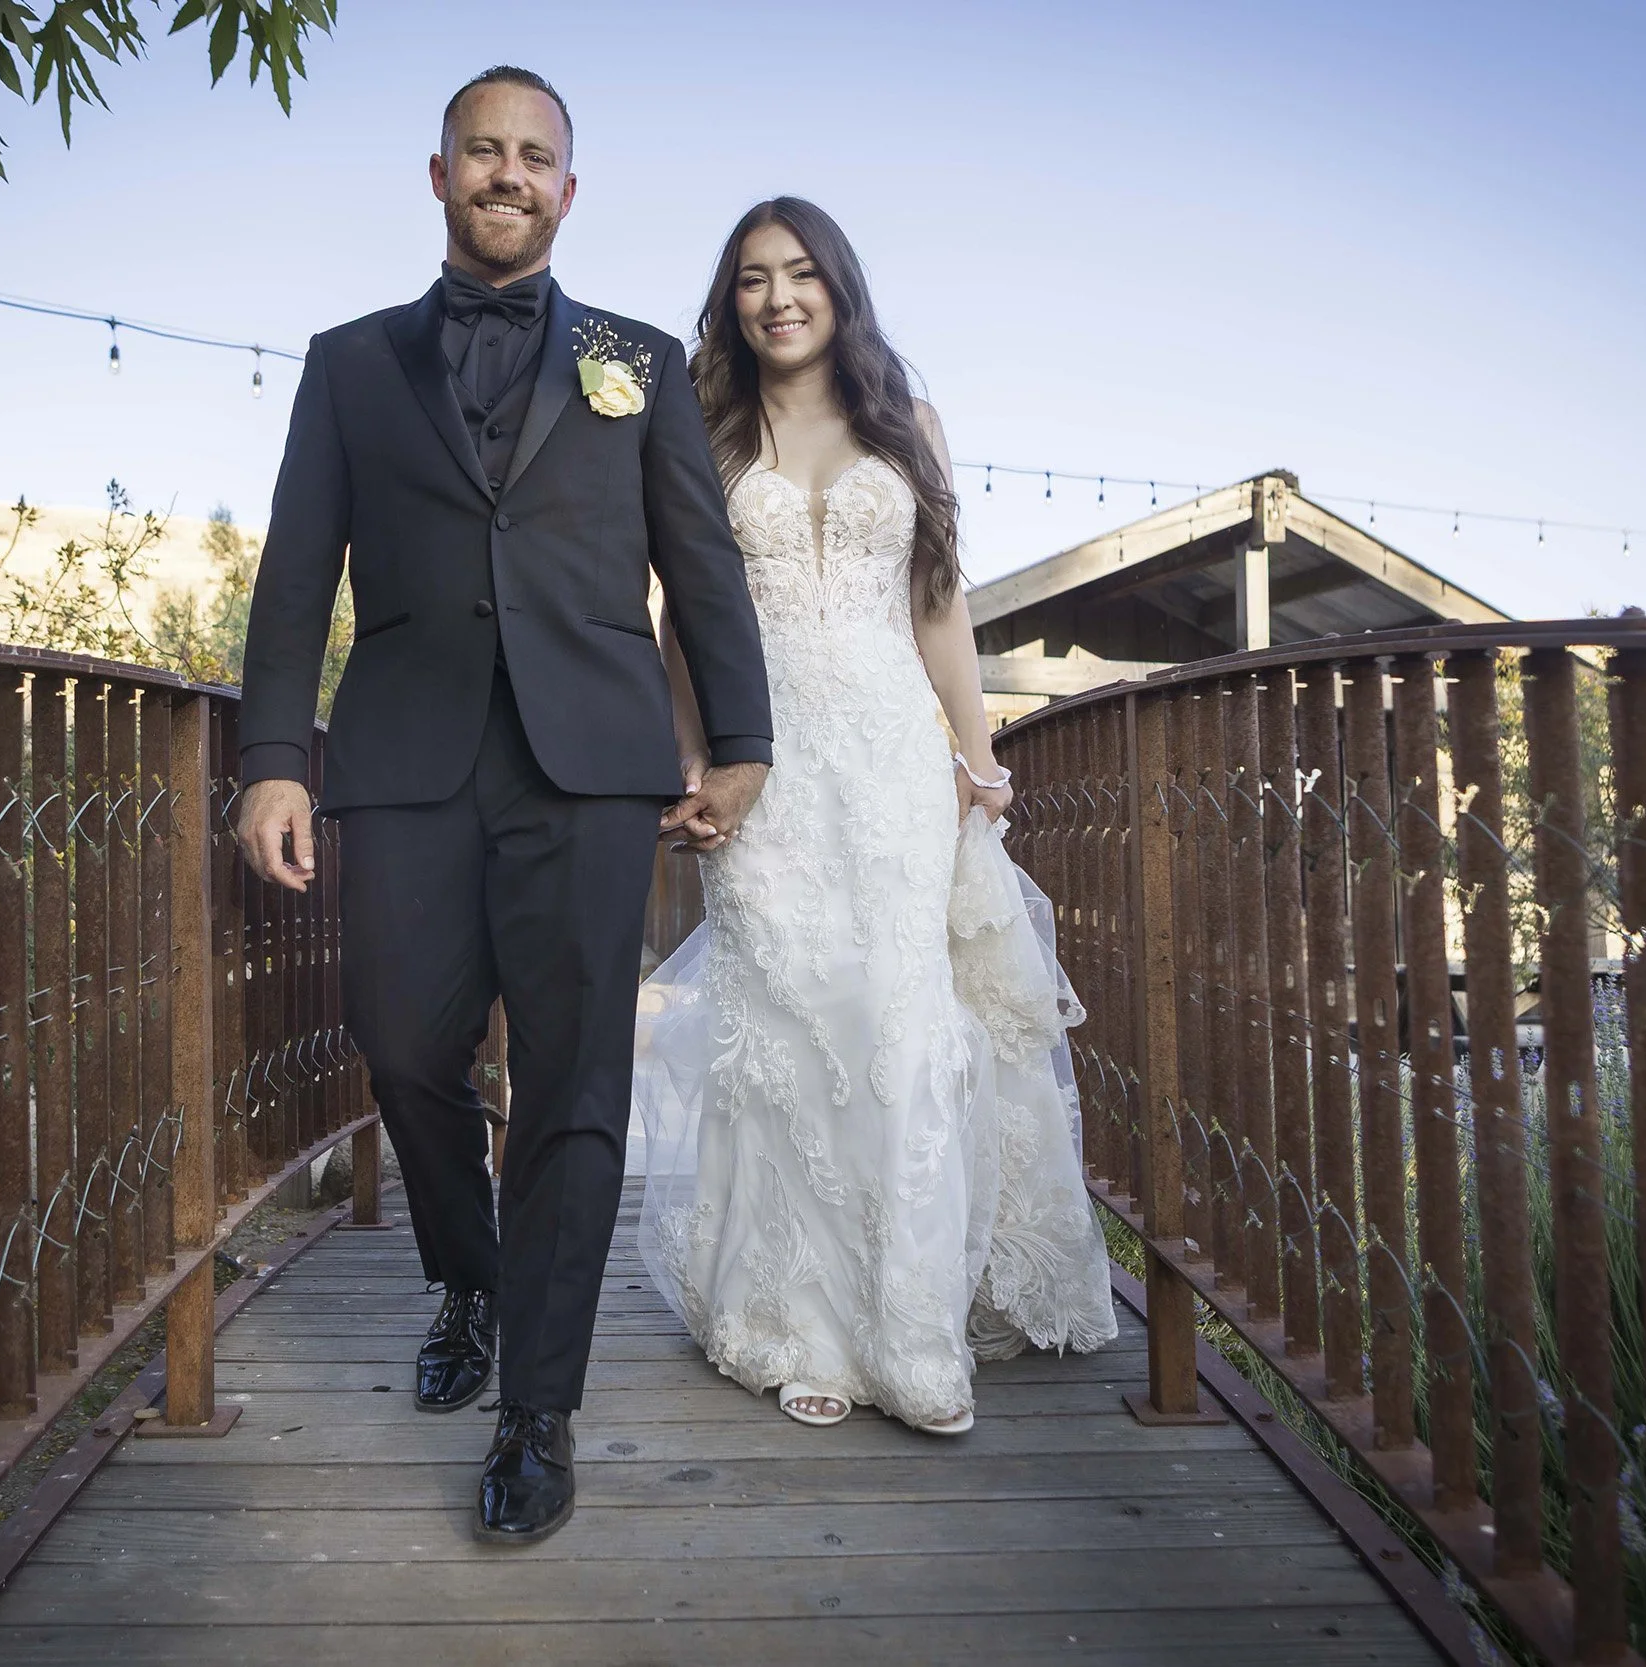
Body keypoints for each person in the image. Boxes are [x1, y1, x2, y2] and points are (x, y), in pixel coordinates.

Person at [232, 67, 775, 1545]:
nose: (509, 172)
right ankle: (467, 1270)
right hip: (405, 756)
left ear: (569, 191)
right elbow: (295, 574)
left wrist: (739, 737)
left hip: (589, 764)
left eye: (536, 156)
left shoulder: (639, 360)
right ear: (439, 173)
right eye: (486, 149)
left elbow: (701, 565)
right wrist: (274, 754)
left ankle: (540, 1405)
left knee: (575, 1082)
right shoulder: (350, 364)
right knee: (401, 1040)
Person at [635, 197, 1118, 1436]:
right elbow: (680, 615)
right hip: (765, 766)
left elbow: (940, 610)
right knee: (789, 1024)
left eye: (801, 274)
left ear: (839, 288)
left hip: (893, 763)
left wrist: (980, 753)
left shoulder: (910, 427)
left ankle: (910, 1332)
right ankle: (797, 1323)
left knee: (898, 1021)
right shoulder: (698, 430)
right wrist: (695, 749)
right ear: (730, 301)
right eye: (752, 279)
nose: (778, 297)